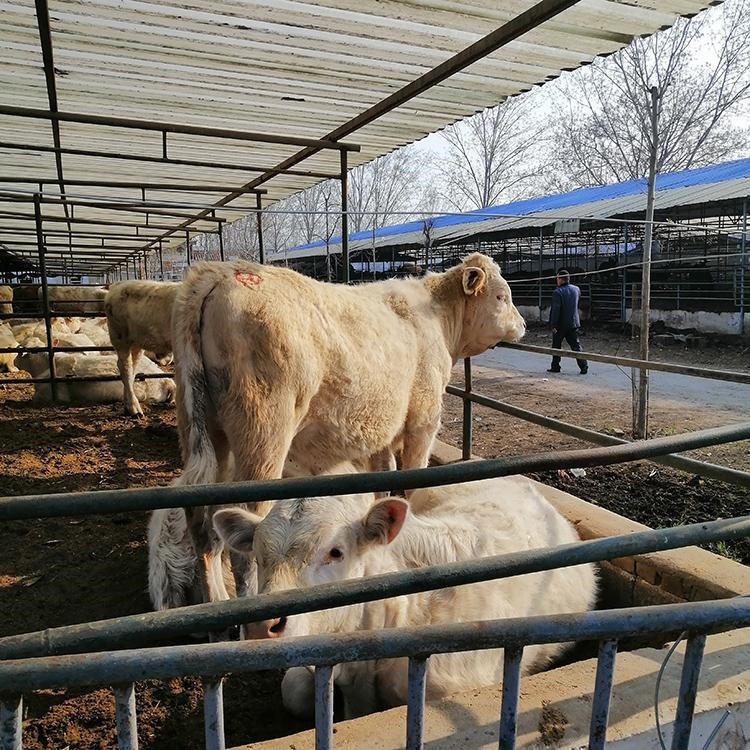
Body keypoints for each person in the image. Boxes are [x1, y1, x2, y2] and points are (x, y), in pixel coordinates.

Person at [548, 270, 588, 374]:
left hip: (560, 325)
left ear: (561, 279)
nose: (556, 280)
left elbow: (556, 310)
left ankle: (555, 366)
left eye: (557, 278)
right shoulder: (576, 289)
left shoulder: (557, 292)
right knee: (576, 346)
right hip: (573, 323)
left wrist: (553, 324)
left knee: (556, 346)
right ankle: (584, 366)